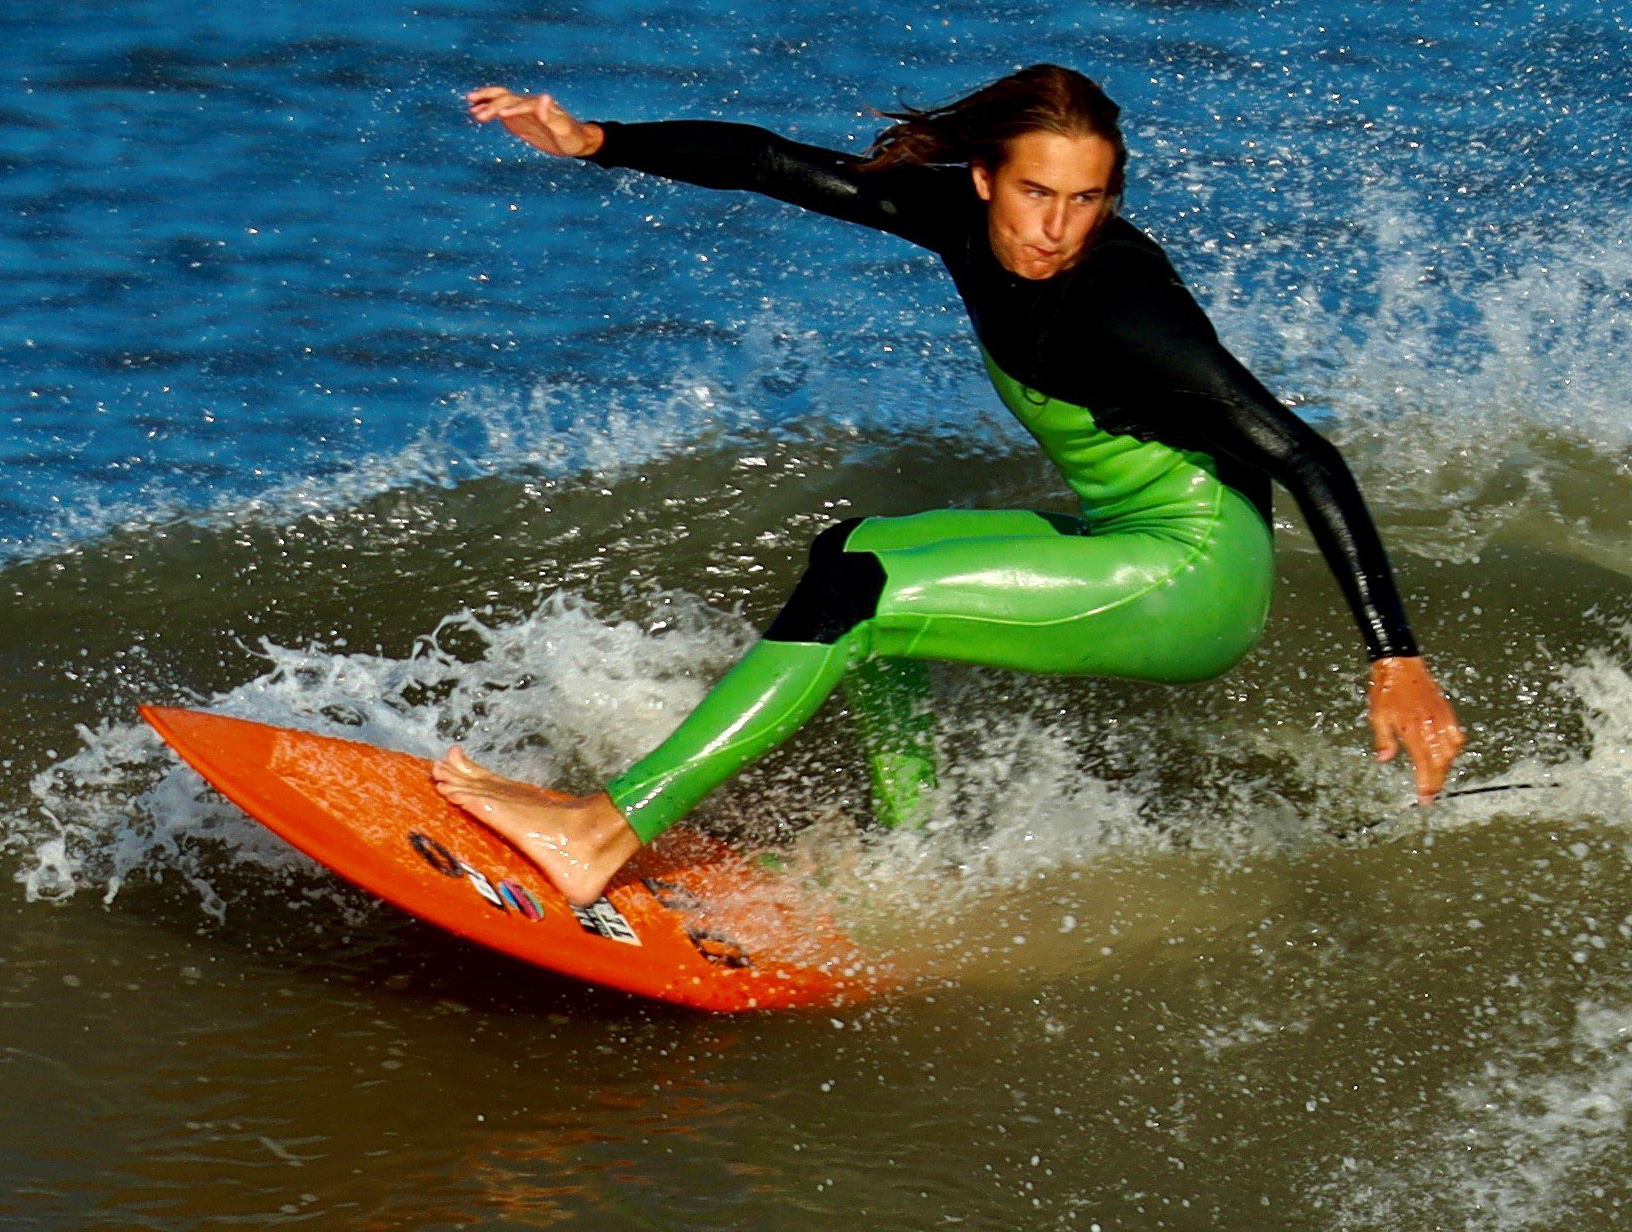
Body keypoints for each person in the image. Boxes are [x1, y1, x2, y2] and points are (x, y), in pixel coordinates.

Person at [435, 64, 1465, 904]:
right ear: (983, 180)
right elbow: (770, 162)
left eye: (1086, 201)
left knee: (859, 602)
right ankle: (909, 844)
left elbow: (1303, 453)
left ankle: (601, 828)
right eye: (1036, 193)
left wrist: (1396, 659)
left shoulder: (1124, 309)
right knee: (852, 553)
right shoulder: (960, 224)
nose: (1056, 229)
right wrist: (597, 141)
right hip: (1123, 533)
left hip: (1188, 577)